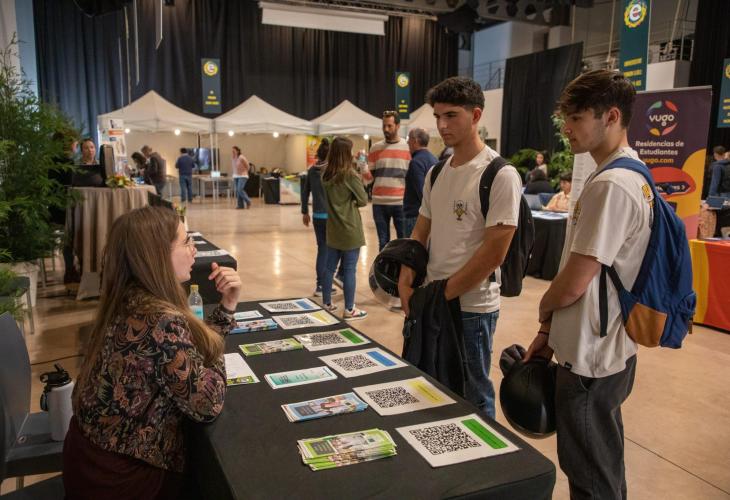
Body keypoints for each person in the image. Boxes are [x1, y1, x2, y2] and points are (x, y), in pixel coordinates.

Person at [523, 70, 649, 499]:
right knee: (602, 461)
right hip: (605, 345)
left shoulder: (613, 184)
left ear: (611, 116)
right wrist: (549, 332)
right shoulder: (630, 173)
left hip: (591, 356)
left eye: (576, 118)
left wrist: (544, 309)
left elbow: (575, 283)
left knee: (590, 474)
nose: (567, 129)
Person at [63, 205, 241, 499]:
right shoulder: (159, 320)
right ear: (157, 255)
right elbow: (208, 403)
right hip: (125, 481)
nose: (194, 250)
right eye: (186, 241)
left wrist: (227, 307)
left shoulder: (129, 298)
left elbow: (186, 356)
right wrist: (216, 346)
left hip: (90, 466)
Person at [398, 76, 522, 418]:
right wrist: (407, 281)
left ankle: (485, 453)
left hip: (472, 309)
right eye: (438, 116)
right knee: (430, 388)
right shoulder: (436, 173)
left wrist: (442, 296)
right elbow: (420, 231)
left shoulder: (500, 174)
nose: (442, 125)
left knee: (474, 396)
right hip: (433, 299)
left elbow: (494, 254)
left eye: (451, 115)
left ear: (476, 115)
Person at [320, 137, 368, 320]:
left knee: (329, 268)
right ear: (346, 153)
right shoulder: (350, 175)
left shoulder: (325, 174)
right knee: (349, 269)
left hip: (333, 228)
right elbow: (363, 200)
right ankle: (349, 309)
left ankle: (327, 303)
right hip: (350, 229)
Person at [362, 111, 411, 251]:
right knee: (383, 243)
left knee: (403, 241)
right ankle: (384, 265)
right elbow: (369, 179)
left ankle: (402, 266)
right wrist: (362, 167)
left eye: (389, 126)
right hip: (379, 202)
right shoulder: (375, 148)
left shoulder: (407, 147)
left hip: (400, 202)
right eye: (384, 126)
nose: (386, 129)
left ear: (398, 126)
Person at [301, 139, 337, 297]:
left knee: (322, 249)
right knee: (333, 250)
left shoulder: (311, 170)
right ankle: (327, 283)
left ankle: (320, 285)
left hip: (317, 216)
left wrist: (305, 212)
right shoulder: (332, 170)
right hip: (331, 216)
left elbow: (305, 192)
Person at [403, 128, 438, 237]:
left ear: (415, 141)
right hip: (430, 216)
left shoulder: (416, 162)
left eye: (409, 139)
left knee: (412, 247)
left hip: (415, 216)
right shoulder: (434, 159)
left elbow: (422, 193)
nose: (407, 142)